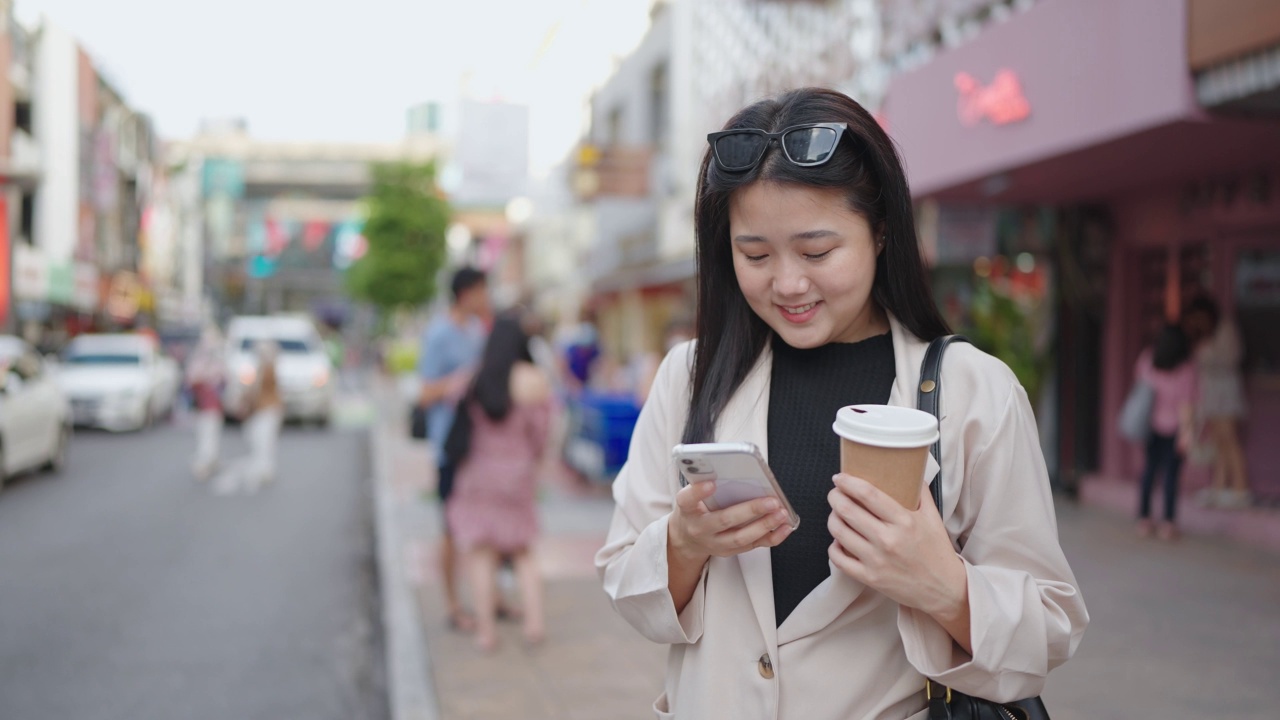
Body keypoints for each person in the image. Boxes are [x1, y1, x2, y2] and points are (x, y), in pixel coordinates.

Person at [595, 88, 1088, 719]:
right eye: (755, 255)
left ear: (881, 231)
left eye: (818, 252)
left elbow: (1049, 630)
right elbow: (626, 587)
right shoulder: (688, 378)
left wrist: (943, 586)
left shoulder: (971, 388)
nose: (788, 283)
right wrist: (684, 543)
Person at [446, 311, 554, 651]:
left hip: (479, 475)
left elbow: (459, 420)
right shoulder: (533, 380)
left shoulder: (476, 379)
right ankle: (534, 626)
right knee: (523, 550)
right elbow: (541, 435)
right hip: (518, 475)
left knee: (482, 553)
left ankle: (486, 633)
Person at [417, 266, 491, 631]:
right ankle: (451, 605)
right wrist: (457, 383)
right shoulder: (438, 335)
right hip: (450, 446)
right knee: (449, 528)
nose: (486, 298)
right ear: (466, 294)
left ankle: (488, 599)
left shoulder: (477, 330)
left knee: (484, 525)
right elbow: (425, 393)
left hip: (479, 447)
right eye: (481, 291)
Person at [1183, 296, 1251, 509]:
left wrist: (1206, 352)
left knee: (1229, 439)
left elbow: (1231, 357)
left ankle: (1241, 490)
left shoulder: (1224, 328)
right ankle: (1219, 488)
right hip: (1211, 393)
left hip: (1225, 391)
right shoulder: (1204, 333)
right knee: (1218, 442)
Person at [1133, 323, 1198, 539]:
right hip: (1175, 429)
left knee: (1149, 472)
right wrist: (1187, 434)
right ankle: (1168, 523)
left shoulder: (1147, 359)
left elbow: (1140, 387)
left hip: (1150, 425)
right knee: (1171, 476)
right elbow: (1186, 406)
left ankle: (1144, 518)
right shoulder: (1186, 368)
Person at [186, 325, 226, 480]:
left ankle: (211, 461)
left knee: (211, 434)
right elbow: (192, 381)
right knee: (205, 435)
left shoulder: (217, 362)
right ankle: (204, 463)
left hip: (213, 406)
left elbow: (224, 380)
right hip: (204, 407)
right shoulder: (199, 363)